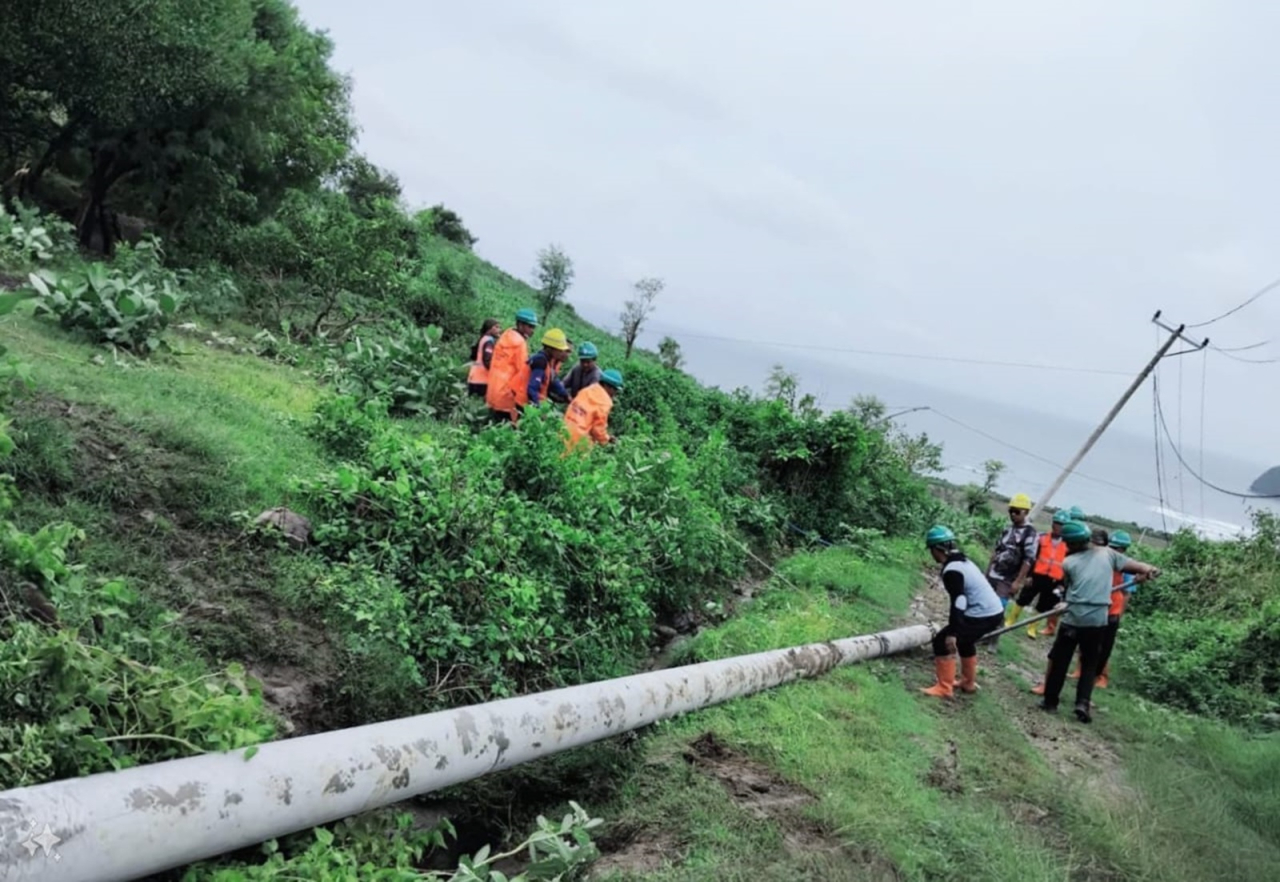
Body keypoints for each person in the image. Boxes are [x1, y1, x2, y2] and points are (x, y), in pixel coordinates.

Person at [1037, 520, 1160, 723]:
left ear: (1073, 544)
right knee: (1090, 664)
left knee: (1060, 661)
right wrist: (1148, 570)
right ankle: (1082, 703)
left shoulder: (1069, 563)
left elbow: (1070, 589)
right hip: (1097, 620)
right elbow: (1137, 566)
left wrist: (1064, 603)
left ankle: (1050, 702)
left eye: (1068, 544)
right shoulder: (1109, 554)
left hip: (1074, 617)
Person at [920, 525, 1005, 699]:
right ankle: (968, 683)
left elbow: (959, 601)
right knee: (966, 642)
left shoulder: (952, 571)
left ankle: (944, 688)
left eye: (931, 550)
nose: (932, 554)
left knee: (942, 641)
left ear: (938, 549)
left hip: (983, 613)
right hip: (994, 611)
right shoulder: (963, 561)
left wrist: (953, 631)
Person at [1069, 530, 1143, 688]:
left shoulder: (1126, 567)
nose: (1114, 550)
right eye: (1113, 547)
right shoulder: (1104, 561)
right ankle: (1079, 670)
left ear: (1124, 550)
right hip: (1096, 609)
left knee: (1103, 648)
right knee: (1085, 642)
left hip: (1112, 611)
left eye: (1118, 548)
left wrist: (1119, 615)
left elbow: (1127, 594)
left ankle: (1102, 676)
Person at [1005, 508, 1070, 638]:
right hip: (1036, 576)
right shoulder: (1042, 538)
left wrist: (1061, 584)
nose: (1059, 527)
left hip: (1053, 580)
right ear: (1053, 524)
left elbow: (1067, 566)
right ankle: (1011, 620)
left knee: (1043, 606)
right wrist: (1028, 576)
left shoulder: (1068, 545)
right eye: (1057, 523)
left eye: (1062, 525)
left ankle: (1032, 628)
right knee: (1023, 598)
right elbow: (1032, 557)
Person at [486, 308, 539, 423]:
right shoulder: (520, 344)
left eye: (533, 327)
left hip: (492, 389)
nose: (532, 330)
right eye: (530, 327)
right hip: (506, 395)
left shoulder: (505, 335)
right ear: (520, 325)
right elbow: (522, 372)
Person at [986, 493, 1038, 610]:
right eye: (1011, 511)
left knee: (998, 607)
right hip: (994, 573)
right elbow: (996, 551)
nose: (1013, 514)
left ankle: (997, 627)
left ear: (1026, 512)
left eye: (1017, 511)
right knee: (985, 602)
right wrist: (987, 571)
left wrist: (1018, 581)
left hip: (1008, 578)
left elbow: (1028, 559)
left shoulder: (1030, 532)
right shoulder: (1007, 528)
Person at [564, 369, 624, 449]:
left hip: (564, 430)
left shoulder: (586, 390)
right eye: (615, 390)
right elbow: (597, 430)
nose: (615, 394)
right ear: (609, 387)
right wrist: (606, 440)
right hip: (579, 441)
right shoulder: (604, 402)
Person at [526, 328, 573, 408]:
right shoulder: (541, 361)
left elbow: (553, 380)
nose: (561, 353)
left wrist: (565, 395)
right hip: (522, 402)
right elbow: (532, 389)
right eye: (559, 350)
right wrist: (538, 407)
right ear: (551, 349)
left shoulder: (548, 361)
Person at [466, 318, 501, 398]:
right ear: (489, 329)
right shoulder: (489, 341)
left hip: (474, 378)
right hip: (482, 380)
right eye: (497, 327)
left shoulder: (482, 339)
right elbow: (487, 361)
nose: (499, 330)